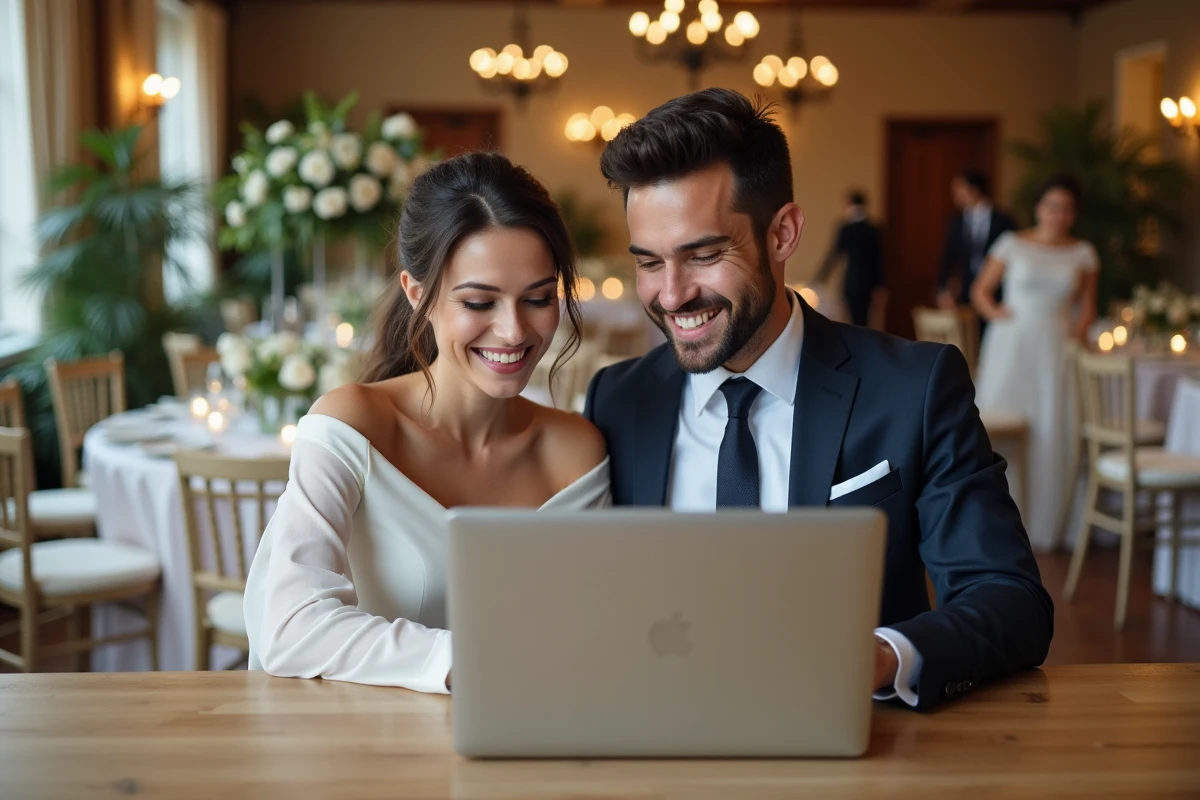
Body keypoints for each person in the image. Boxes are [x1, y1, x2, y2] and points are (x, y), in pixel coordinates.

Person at [585, 88, 1052, 711]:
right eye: (649, 262)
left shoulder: (915, 386)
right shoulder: (617, 399)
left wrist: (881, 658)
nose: (670, 296)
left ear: (783, 233)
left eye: (703, 255)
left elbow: (1009, 598)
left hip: (853, 744)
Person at [244, 152, 610, 693]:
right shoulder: (351, 426)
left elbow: (596, 628)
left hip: (532, 742)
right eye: (480, 302)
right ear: (419, 295)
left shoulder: (576, 452)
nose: (513, 331)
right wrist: (475, 661)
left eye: (537, 298)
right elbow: (290, 625)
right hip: (363, 750)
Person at [971, 175, 1097, 552]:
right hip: (1012, 344)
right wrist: (997, 314)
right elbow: (980, 291)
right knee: (1006, 427)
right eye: (1052, 207)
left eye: (1066, 209)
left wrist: (1076, 338)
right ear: (1040, 209)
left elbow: (1087, 308)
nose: (1058, 215)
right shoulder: (1012, 243)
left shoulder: (1084, 253)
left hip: (1056, 347)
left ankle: (1049, 522)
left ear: (1073, 214)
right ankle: (1000, 519)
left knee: (1052, 427)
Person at [936, 170, 1015, 329]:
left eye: (959, 189)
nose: (955, 195)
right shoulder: (956, 221)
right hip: (965, 290)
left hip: (997, 291)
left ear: (974, 189)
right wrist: (944, 289)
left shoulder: (1003, 220)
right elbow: (947, 257)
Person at [815, 190, 885, 328]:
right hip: (868, 283)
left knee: (854, 320)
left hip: (852, 281)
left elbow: (834, 255)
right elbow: (879, 260)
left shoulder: (846, 228)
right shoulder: (873, 229)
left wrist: (820, 278)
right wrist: (880, 286)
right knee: (863, 321)